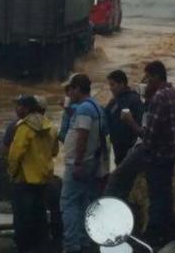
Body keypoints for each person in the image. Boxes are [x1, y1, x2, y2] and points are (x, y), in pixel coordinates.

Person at [104, 61, 175, 246]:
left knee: (154, 195)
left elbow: (149, 136)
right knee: (165, 193)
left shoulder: (158, 98)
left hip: (156, 154)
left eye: (147, 78)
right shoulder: (174, 93)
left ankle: (153, 235)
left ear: (155, 77)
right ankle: (166, 233)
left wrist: (130, 121)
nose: (145, 82)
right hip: (171, 152)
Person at [59, 73, 108, 253]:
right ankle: (84, 241)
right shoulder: (96, 107)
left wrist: (78, 161)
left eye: (71, 89)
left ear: (78, 88)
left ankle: (71, 245)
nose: (69, 93)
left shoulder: (84, 110)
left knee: (69, 204)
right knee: (84, 202)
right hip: (91, 163)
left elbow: (83, 135)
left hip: (79, 164)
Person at [7, 95, 56, 253]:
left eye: (21, 106)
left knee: (22, 220)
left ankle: (24, 248)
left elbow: (15, 155)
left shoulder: (23, 127)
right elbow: (54, 151)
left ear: (27, 109)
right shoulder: (51, 126)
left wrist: (12, 173)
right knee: (40, 217)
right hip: (44, 180)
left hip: (24, 180)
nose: (18, 109)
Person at [105, 70, 144, 165]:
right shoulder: (114, 101)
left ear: (122, 84)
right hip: (117, 146)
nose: (111, 88)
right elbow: (104, 116)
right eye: (110, 85)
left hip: (130, 147)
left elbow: (140, 123)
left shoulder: (134, 100)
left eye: (112, 85)